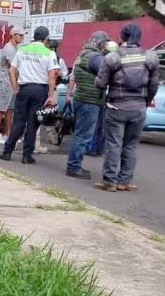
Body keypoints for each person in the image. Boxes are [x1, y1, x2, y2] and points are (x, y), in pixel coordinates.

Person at [92, 22, 159, 192]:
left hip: (116, 107)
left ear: (122, 37)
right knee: (131, 145)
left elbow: (100, 83)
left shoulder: (113, 57)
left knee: (114, 144)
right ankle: (124, 181)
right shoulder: (150, 57)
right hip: (138, 109)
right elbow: (154, 85)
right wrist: (144, 102)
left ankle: (110, 182)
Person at [0, 26, 59, 164]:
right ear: (46, 39)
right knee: (33, 123)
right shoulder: (49, 53)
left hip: (24, 89)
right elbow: (52, 76)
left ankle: (7, 152)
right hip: (40, 90)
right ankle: (27, 156)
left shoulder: (22, 49)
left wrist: (15, 87)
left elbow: (11, 71)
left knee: (18, 122)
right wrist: (50, 95)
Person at [64, 31, 110, 179]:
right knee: (83, 136)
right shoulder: (95, 58)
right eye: (105, 43)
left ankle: (73, 164)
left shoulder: (82, 54)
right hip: (90, 100)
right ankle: (74, 167)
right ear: (101, 43)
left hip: (81, 97)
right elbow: (107, 72)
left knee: (79, 133)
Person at [87, 40, 120, 157]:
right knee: (100, 125)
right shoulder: (110, 63)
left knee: (97, 124)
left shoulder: (101, 61)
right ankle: (95, 148)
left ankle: (94, 147)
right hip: (102, 97)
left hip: (102, 97)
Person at [0, 26, 25, 144]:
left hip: (11, 83)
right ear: (13, 35)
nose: (22, 37)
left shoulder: (15, 48)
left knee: (10, 110)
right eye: (20, 35)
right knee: (1, 109)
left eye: (22, 35)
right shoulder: (9, 49)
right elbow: (13, 68)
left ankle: (8, 134)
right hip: (6, 82)